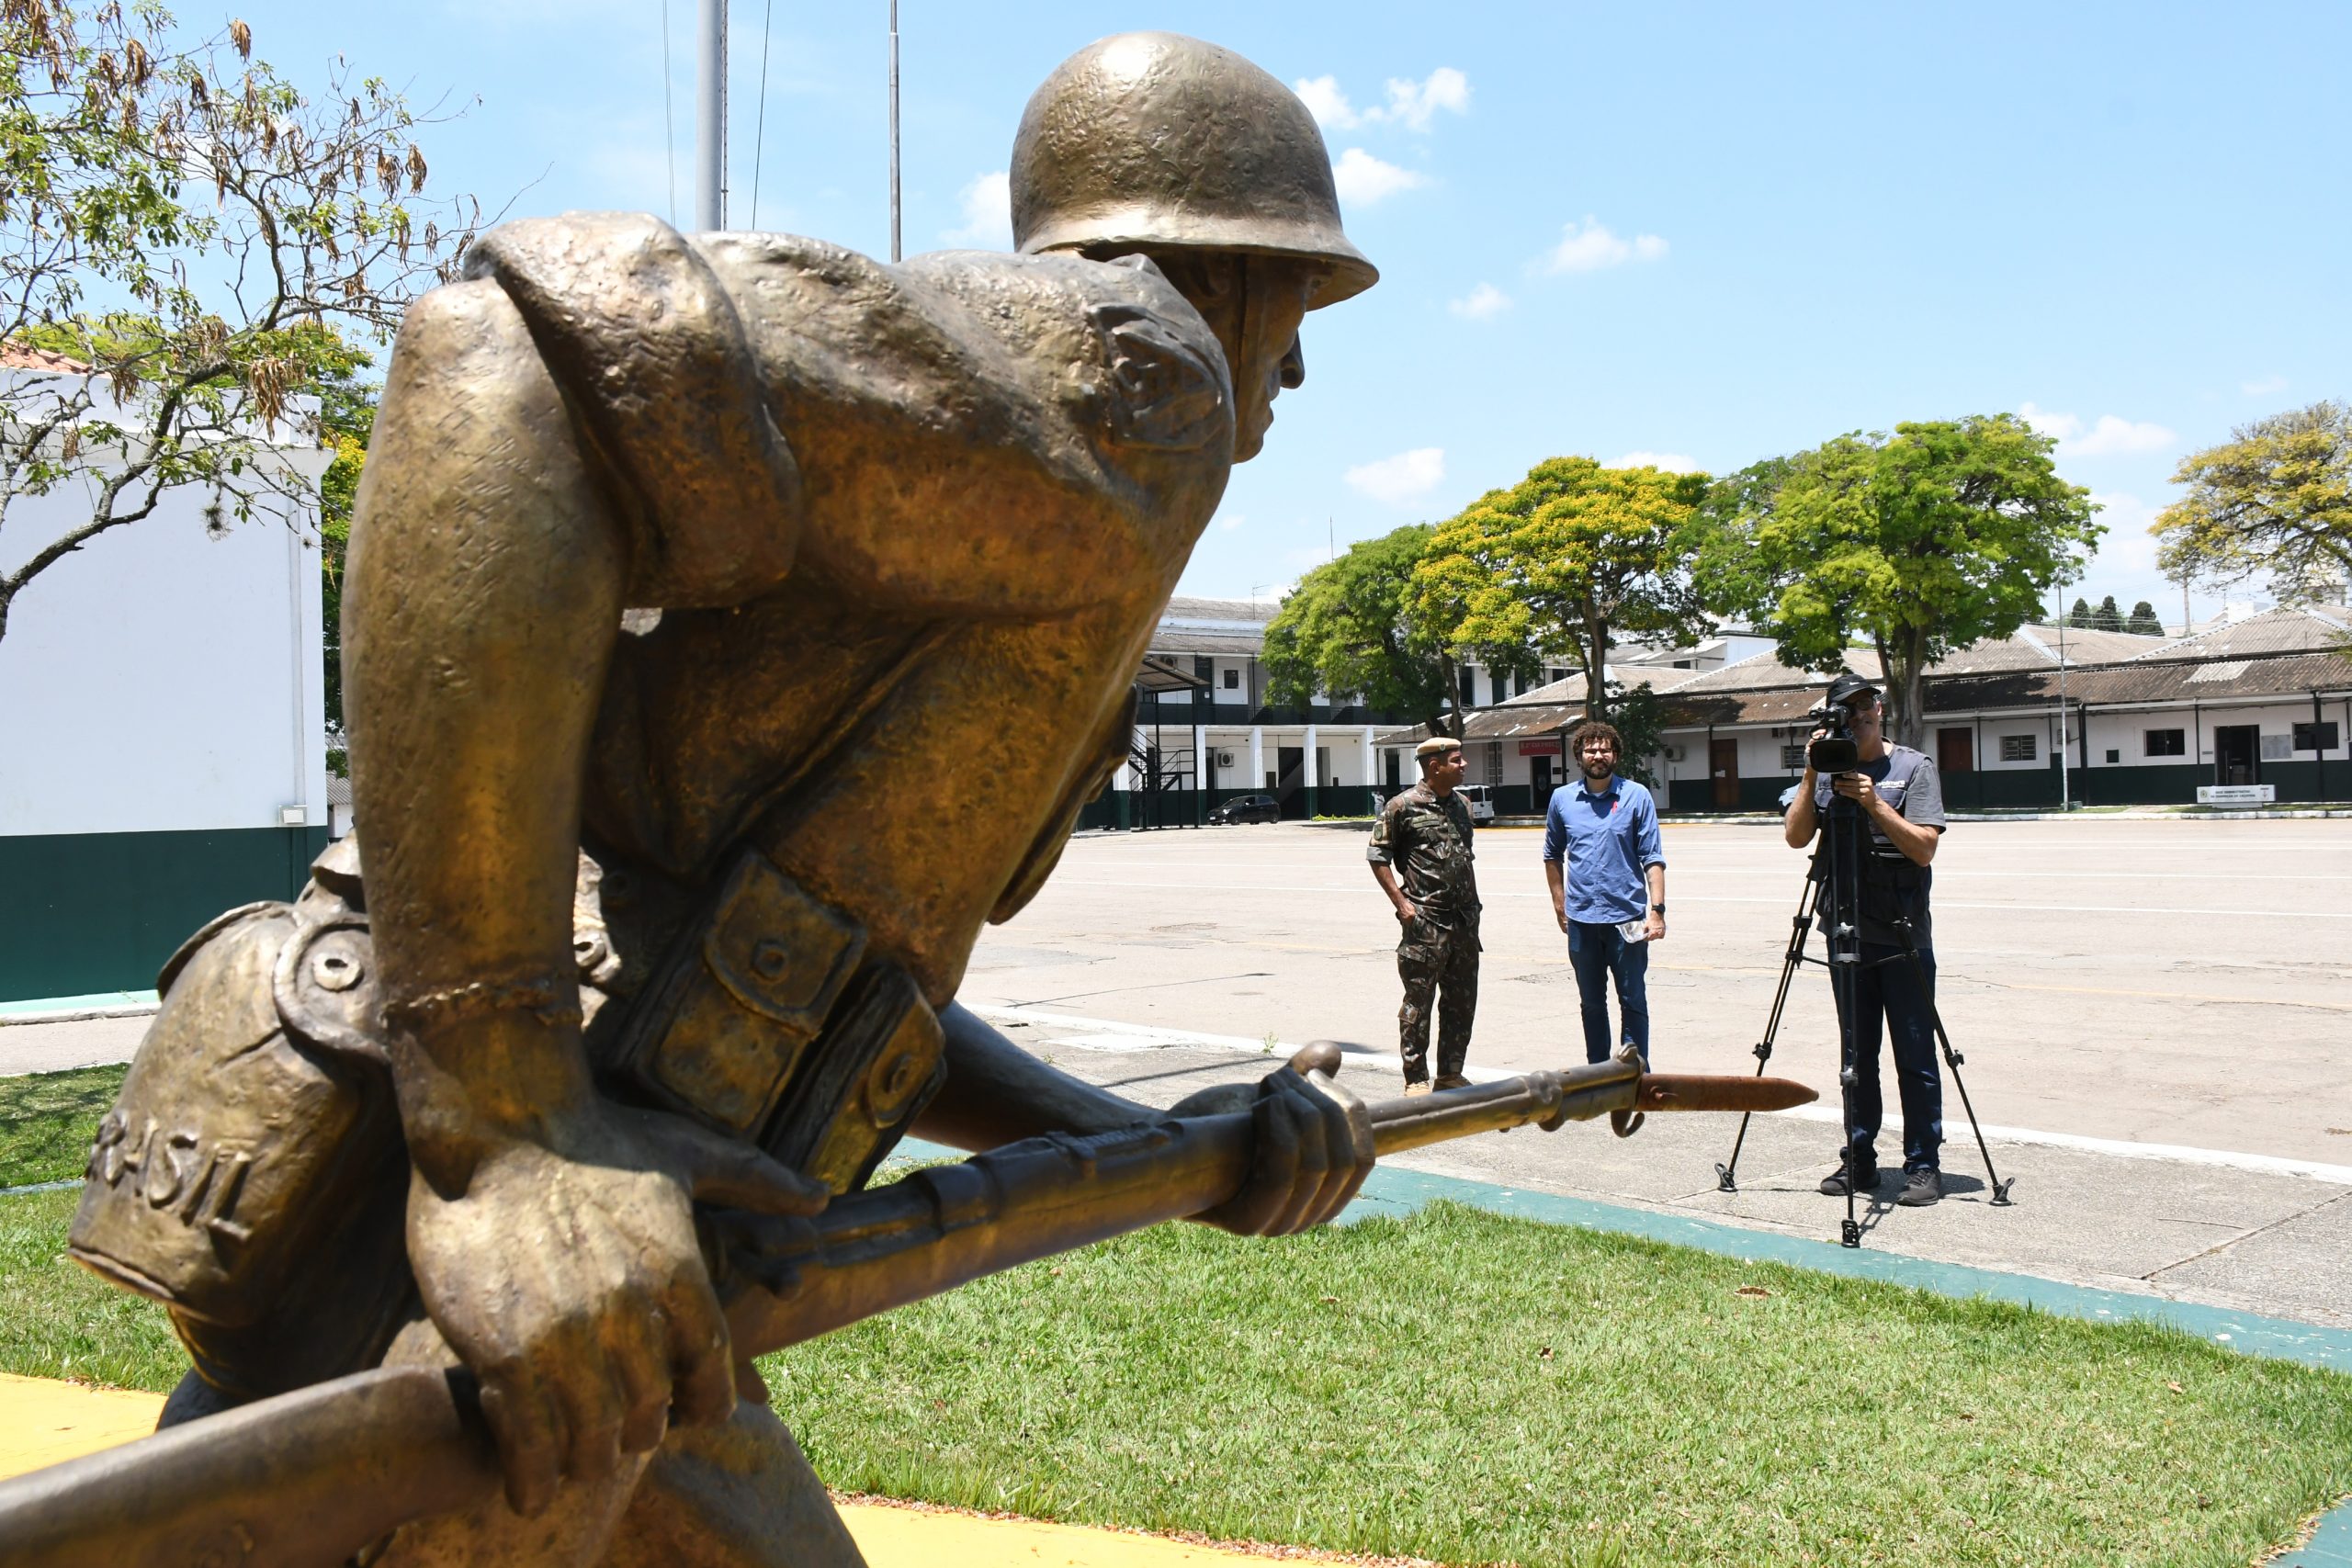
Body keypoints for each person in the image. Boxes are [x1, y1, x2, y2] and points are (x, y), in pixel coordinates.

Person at [88, 34, 1383, 1568]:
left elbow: (816, 986)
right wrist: (504, 1133)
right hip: (512, 1275)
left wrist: (1169, 1143)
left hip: (604, 1280)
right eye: (1293, 295)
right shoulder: (1138, 373)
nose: (1289, 368)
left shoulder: (1043, 496)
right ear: (1214, 270)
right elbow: (502, 359)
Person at [1781, 671, 1949, 1207]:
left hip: (1902, 933)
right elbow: (1796, 837)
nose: (1858, 718)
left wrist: (1875, 803)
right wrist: (1812, 775)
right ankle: (1860, 1159)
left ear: (1880, 709)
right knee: (1857, 1055)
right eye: (1846, 712)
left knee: (1916, 1056)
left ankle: (1924, 1164)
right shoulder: (1826, 769)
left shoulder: (1912, 767)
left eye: (1864, 708)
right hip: (1845, 928)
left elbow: (1924, 849)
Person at [1541, 719, 1666, 1066]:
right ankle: (1597, 1073)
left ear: (1616, 755)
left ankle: (1634, 1071)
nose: (1598, 754)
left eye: (1605, 748)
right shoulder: (1562, 799)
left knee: (1633, 999)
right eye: (1590, 748)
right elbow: (1552, 853)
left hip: (1626, 919)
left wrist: (1657, 910)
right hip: (1581, 920)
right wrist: (1558, 902)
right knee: (1592, 1002)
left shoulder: (1636, 796)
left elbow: (1653, 857)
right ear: (1579, 755)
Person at [1367, 735, 1482, 1095]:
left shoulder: (1463, 804)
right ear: (1435, 765)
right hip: (1426, 922)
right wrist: (1402, 905)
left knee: (1461, 1002)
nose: (1463, 766)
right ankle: (1416, 1077)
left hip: (1464, 922)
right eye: (1457, 760)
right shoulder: (1402, 806)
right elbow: (1377, 857)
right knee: (1418, 1003)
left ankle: (1451, 1072)